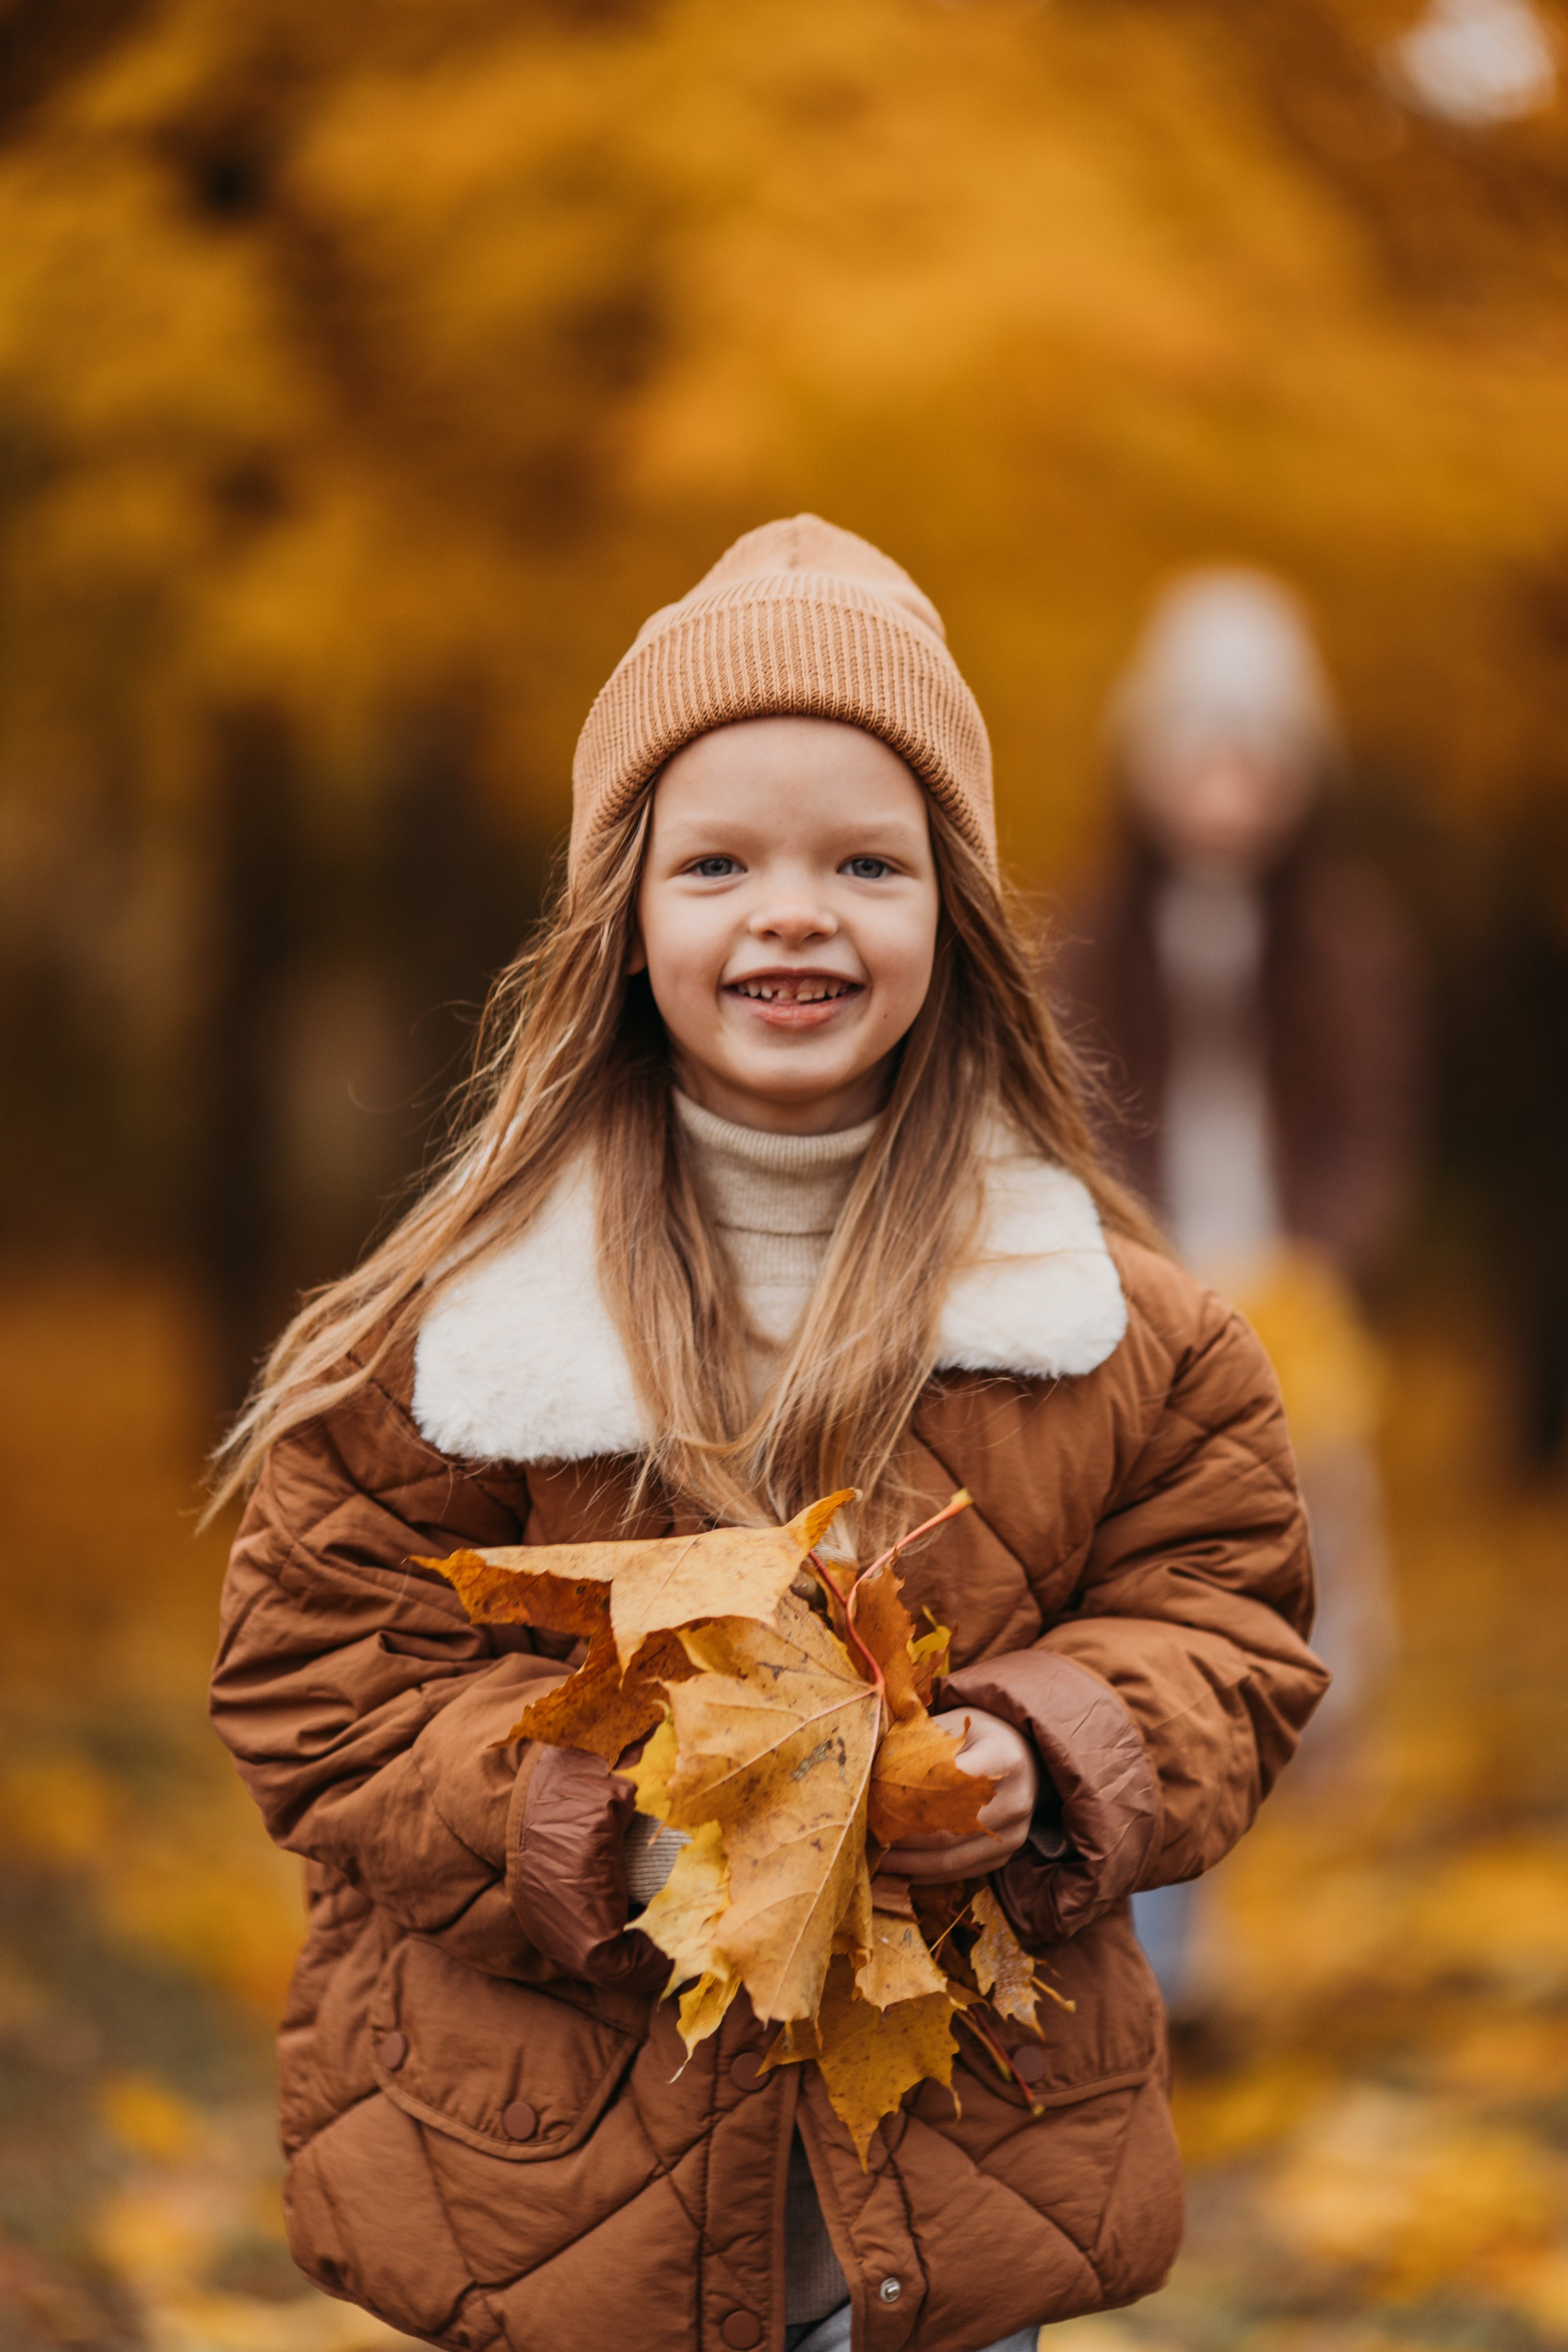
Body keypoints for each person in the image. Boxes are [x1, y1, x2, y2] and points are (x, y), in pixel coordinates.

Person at [208, 519, 1326, 2352]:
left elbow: (1228, 1629)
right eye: (717, 861)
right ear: (624, 921)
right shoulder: (460, 1335)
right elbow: (322, 1682)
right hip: (557, 2201)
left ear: (953, 918)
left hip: (952, 2180)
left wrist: (1044, 1755)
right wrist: (607, 1823)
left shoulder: (1116, 1330)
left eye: (866, 862)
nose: (792, 910)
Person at [1054, 570, 1422, 2011]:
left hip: (1294, 1326)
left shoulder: (1346, 946)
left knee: (1299, 1611)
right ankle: (1169, 1950)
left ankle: (1259, 1921)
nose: (1224, 784)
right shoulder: (1089, 943)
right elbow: (1081, 1120)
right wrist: (1149, 1259)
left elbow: (1366, 1139)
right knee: (1151, 1600)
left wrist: (1310, 1263)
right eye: (1196, 747)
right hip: (1135, 1313)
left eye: (1254, 751)